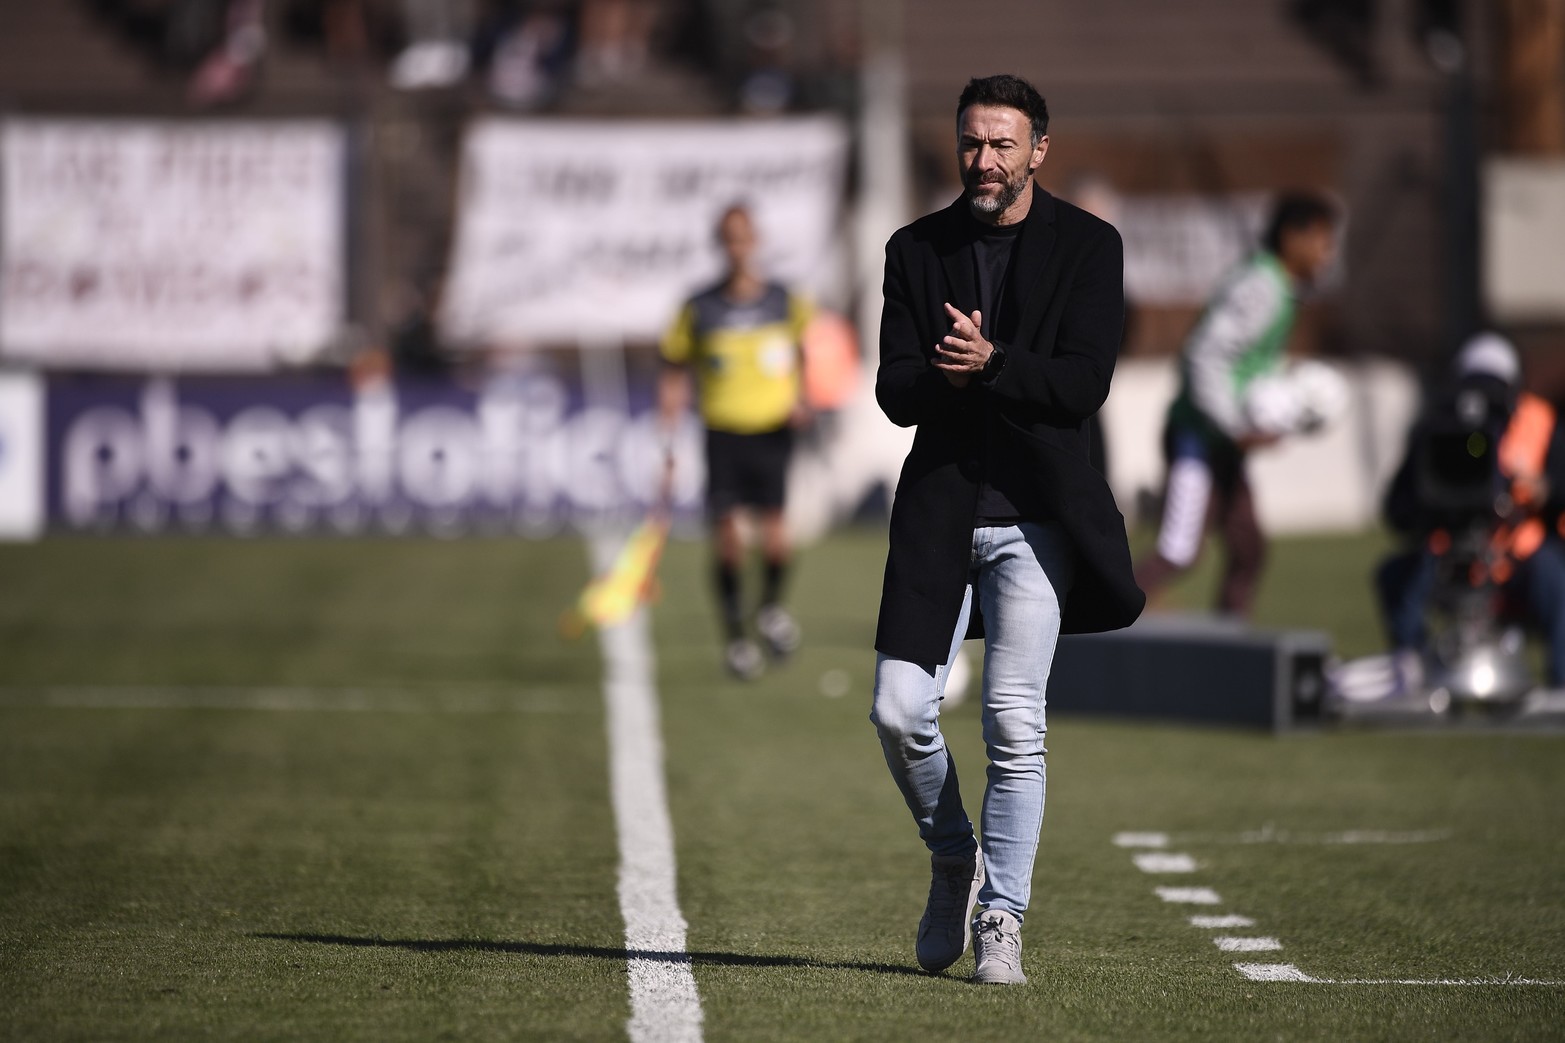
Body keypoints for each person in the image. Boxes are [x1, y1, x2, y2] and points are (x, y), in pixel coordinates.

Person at [870, 74, 1142, 985]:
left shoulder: (1089, 246)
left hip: (1038, 521)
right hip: (939, 512)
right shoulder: (915, 248)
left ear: (1037, 151)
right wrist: (943, 379)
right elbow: (892, 391)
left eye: (1000, 144)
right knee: (898, 709)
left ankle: (1002, 916)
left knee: (1013, 726)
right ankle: (954, 857)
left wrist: (990, 365)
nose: (982, 160)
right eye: (970, 143)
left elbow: (1080, 384)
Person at [1132, 192, 1341, 616]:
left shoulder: (1279, 286)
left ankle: (1229, 645)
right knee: (1179, 552)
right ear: (1291, 237)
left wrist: (1279, 403)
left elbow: (1244, 365)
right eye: (1322, 238)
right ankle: (1086, 619)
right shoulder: (1261, 285)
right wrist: (1236, 425)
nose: (1327, 252)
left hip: (1221, 442)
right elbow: (1203, 355)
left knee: (1248, 547)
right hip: (1199, 437)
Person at [659, 204, 812, 681]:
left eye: (744, 237)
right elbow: (674, 369)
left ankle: (767, 608)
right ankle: (736, 640)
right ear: (720, 244)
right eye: (729, 238)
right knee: (727, 540)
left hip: (772, 431)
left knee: (776, 541)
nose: (737, 247)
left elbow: (808, 352)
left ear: (756, 241)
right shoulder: (699, 306)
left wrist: (804, 398)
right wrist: (667, 437)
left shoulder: (784, 300)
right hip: (723, 432)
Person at [1377, 333, 1565, 691]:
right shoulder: (1435, 429)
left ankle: (1562, 683)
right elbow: (1396, 509)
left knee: (1556, 577)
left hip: (1517, 552)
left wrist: (1543, 488)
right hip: (1447, 548)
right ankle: (1413, 671)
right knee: (1397, 576)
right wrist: (1426, 501)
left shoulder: (1538, 422)